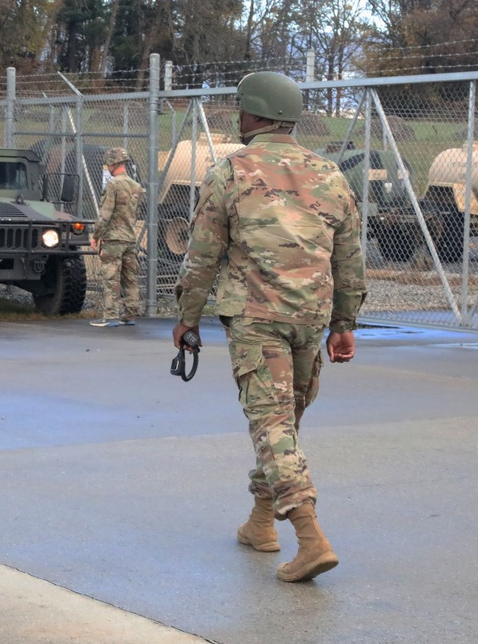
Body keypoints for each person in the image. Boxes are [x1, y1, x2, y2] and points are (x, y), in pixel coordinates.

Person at [171, 71, 367, 582]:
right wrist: (344, 323)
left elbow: (201, 256)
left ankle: (310, 539)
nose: (238, 117)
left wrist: (187, 318)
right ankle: (261, 524)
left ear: (254, 114)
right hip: (311, 318)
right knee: (283, 426)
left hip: (257, 320)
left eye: (240, 109)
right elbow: (349, 257)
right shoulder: (330, 174)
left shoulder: (230, 172)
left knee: (272, 426)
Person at [90, 147, 144, 327]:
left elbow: (105, 214)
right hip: (129, 237)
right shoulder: (136, 187)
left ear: (113, 163)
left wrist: (96, 236)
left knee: (111, 277)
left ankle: (111, 316)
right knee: (130, 277)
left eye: (108, 164)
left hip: (113, 238)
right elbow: (134, 213)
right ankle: (129, 315)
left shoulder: (113, 185)